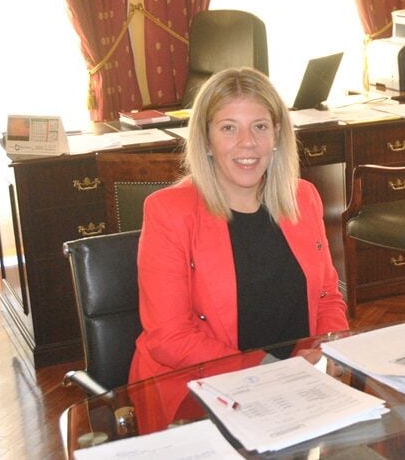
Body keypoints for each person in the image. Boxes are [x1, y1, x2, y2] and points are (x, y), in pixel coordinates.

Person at [129, 67, 349, 402]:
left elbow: (327, 297)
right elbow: (169, 338)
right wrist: (269, 371)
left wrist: (328, 347)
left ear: (277, 135)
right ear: (206, 140)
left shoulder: (303, 198)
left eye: (260, 126)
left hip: (298, 384)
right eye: (229, 128)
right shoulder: (169, 212)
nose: (248, 143)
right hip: (198, 392)